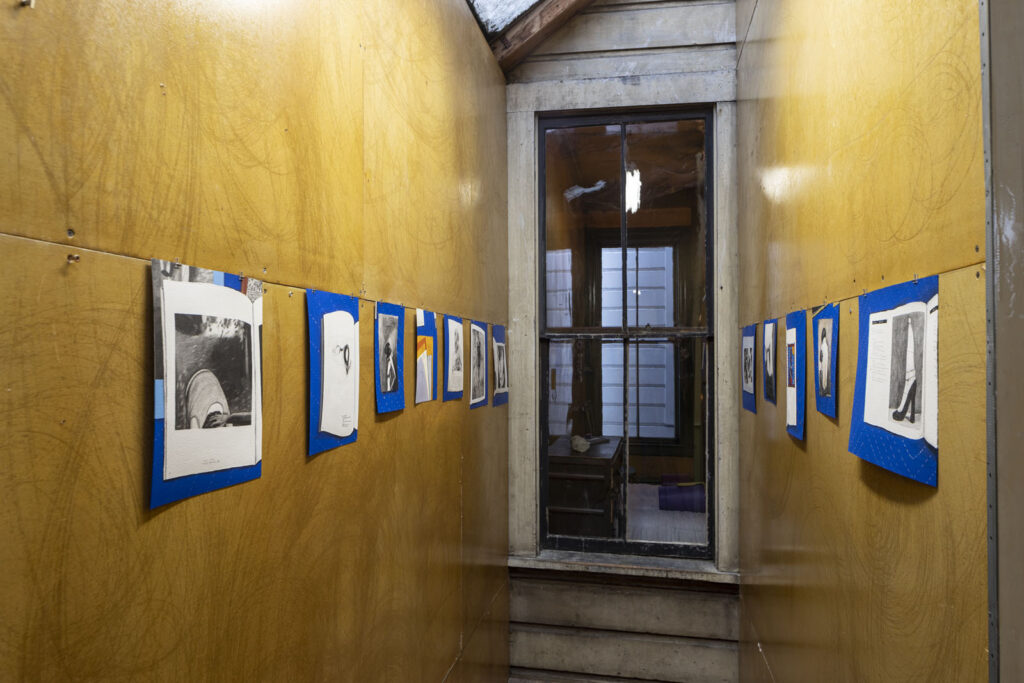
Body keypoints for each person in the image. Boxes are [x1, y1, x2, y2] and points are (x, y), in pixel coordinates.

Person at [892, 319, 917, 423]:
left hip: (910, 376)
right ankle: (911, 379)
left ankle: (910, 379)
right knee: (909, 353)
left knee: (910, 353)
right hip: (911, 376)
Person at [818, 326, 831, 397]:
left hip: (824, 362)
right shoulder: (825, 344)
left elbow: (822, 355)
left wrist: (821, 361)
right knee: (824, 375)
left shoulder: (823, 344)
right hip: (825, 362)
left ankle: (824, 389)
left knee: (824, 376)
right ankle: (824, 389)